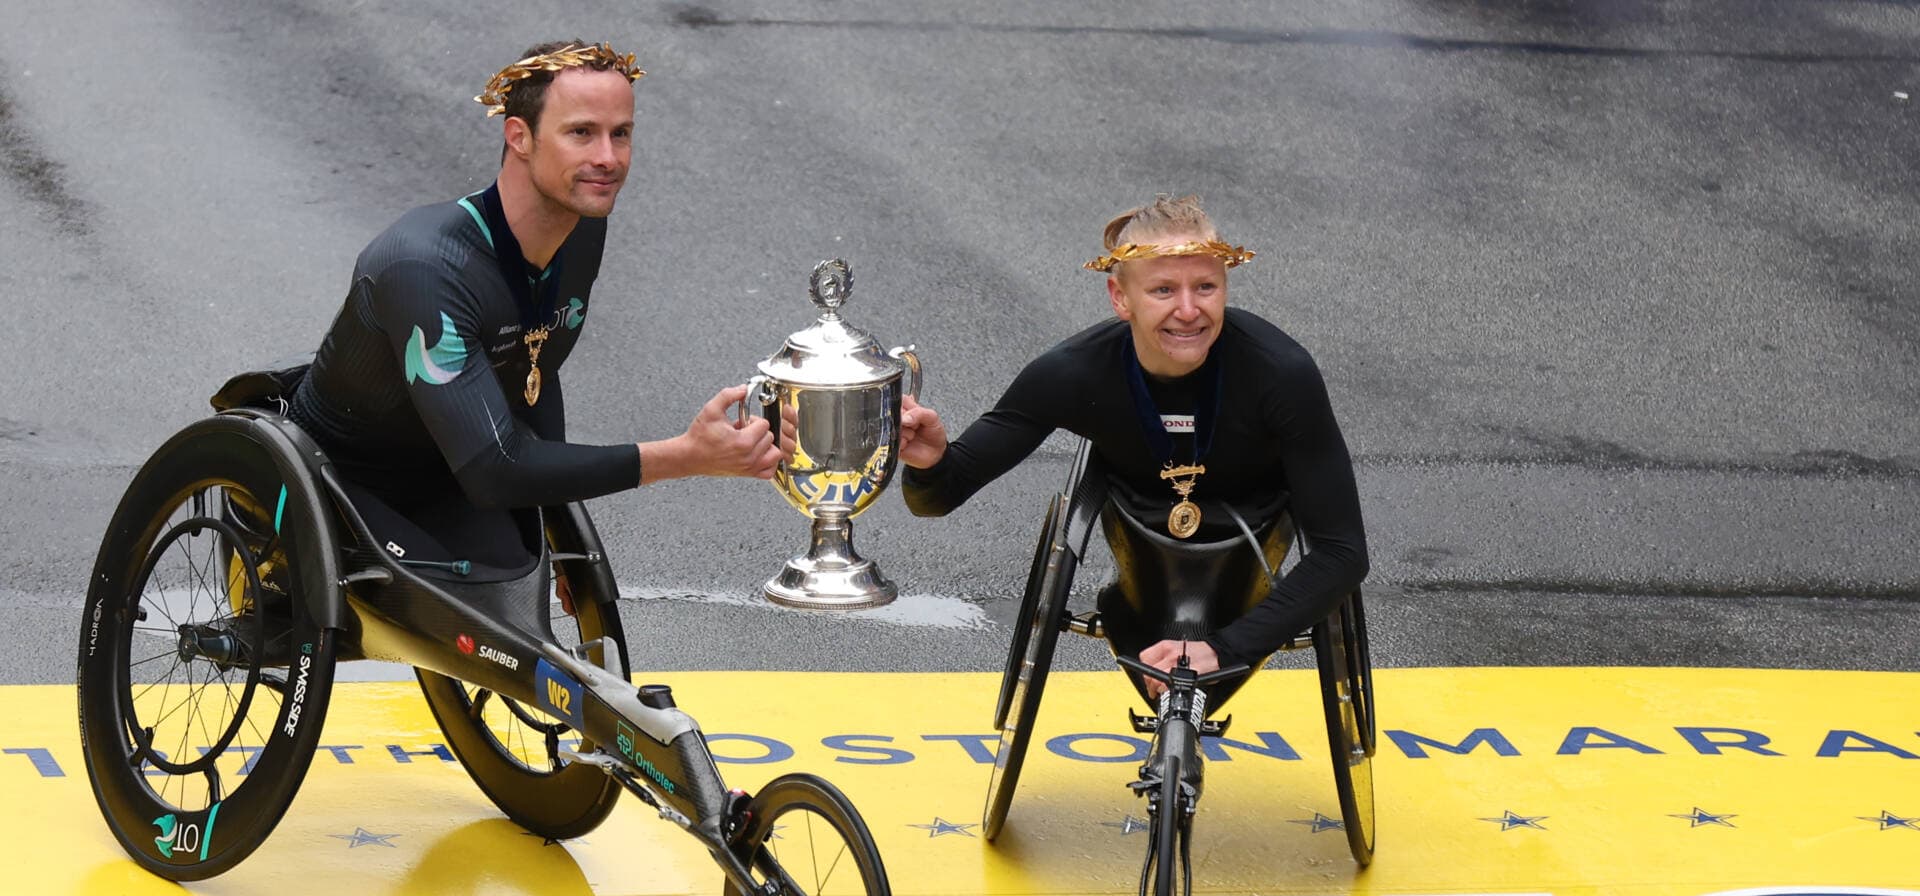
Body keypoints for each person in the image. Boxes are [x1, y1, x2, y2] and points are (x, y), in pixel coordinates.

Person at [285, 41, 791, 576]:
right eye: (581, 133)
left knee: (516, 598)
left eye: (621, 133)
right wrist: (684, 456)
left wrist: (559, 538)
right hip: (342, 488)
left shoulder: (580, 227)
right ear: (519, 136)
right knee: (488, 615)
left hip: (451, 475)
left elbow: (536, 372)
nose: (608, 158)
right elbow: (495, 470)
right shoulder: (425, 265)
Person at [898, 194, 1368, 693]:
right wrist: (930, 463)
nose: (1188, 311)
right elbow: (938, 497)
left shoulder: (1281, 373)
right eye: (1163, 289)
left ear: (1225, 288)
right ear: (1120, 299)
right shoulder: (1073, 373)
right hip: (1140, 542)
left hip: (1255, 529)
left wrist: (1225, 648)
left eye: (1205, 287)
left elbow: (1342, 552)